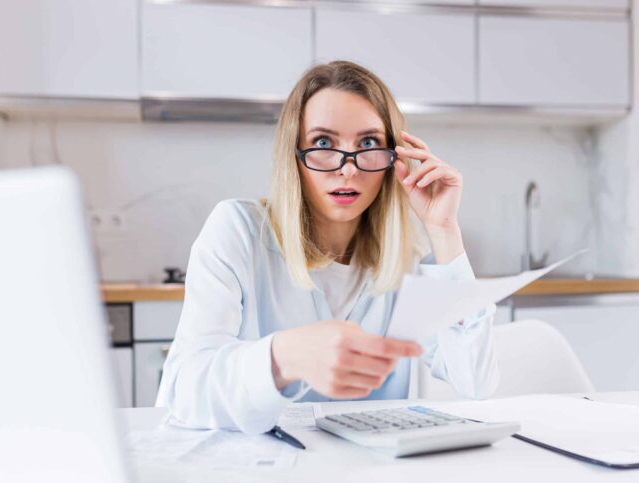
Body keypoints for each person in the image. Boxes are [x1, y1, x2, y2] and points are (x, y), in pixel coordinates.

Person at [156, 61, 499, 434]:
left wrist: (444, 230)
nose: (347, 170)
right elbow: (183, 392)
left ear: (394, 158)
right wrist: (284, 356)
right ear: (294, 154)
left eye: (367, 144)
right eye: (323, 143)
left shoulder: (410, 259)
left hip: (371, 478)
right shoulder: (237, 231)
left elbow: (476, 382)